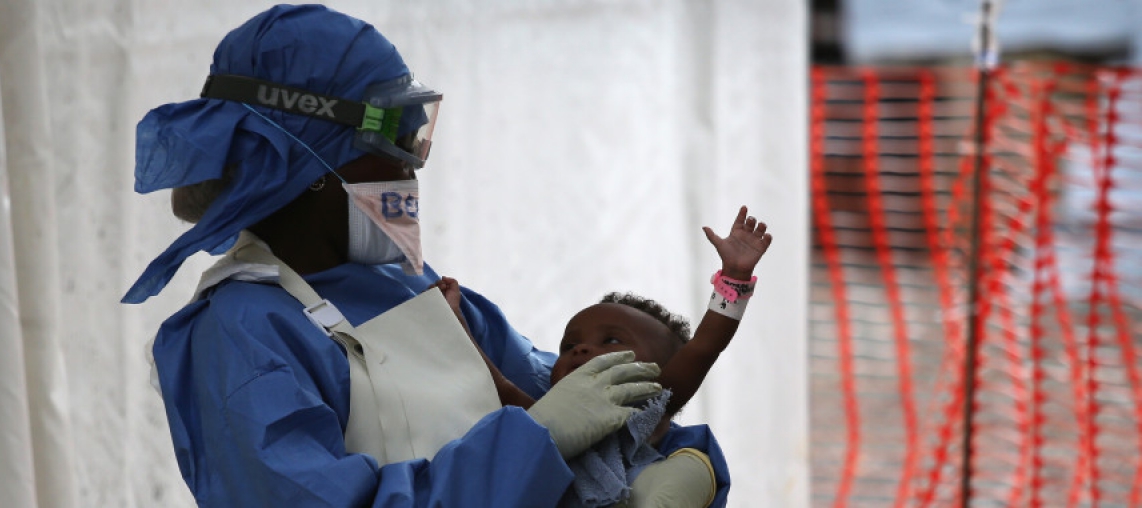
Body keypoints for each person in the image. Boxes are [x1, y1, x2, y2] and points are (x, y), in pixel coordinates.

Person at [122, 4, 727, 507]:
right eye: (393, 137)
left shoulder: (416, 289)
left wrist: (687, 461)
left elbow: (596, 394)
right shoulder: (239, 337)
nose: (410, 168)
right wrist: (536, 439)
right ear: (307, 162)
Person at [434, 205, 771, 507]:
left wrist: (735, 278)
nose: (581, 349)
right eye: (569, 346)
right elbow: (497, 384)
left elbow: (704, 346)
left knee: (680, 476)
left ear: (661, 372)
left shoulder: (647, 408)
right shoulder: (549, 424)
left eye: (610, 340)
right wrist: (454, 322)